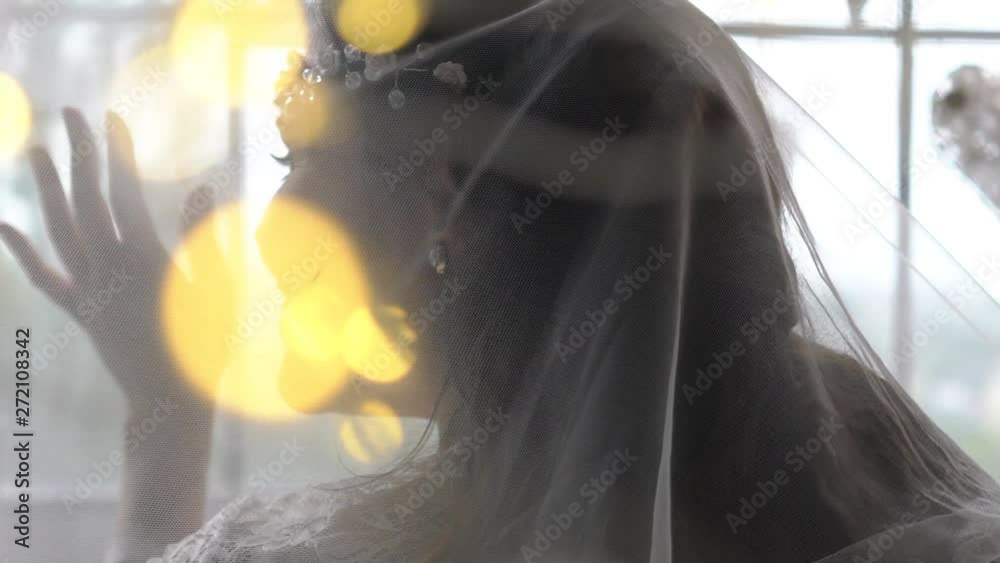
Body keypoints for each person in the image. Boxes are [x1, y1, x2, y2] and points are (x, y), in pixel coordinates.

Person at [3, 0, 1000, 561]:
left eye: (291, 153)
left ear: (442, 208)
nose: (272, 221)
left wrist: (165, 418)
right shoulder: (918, 504)